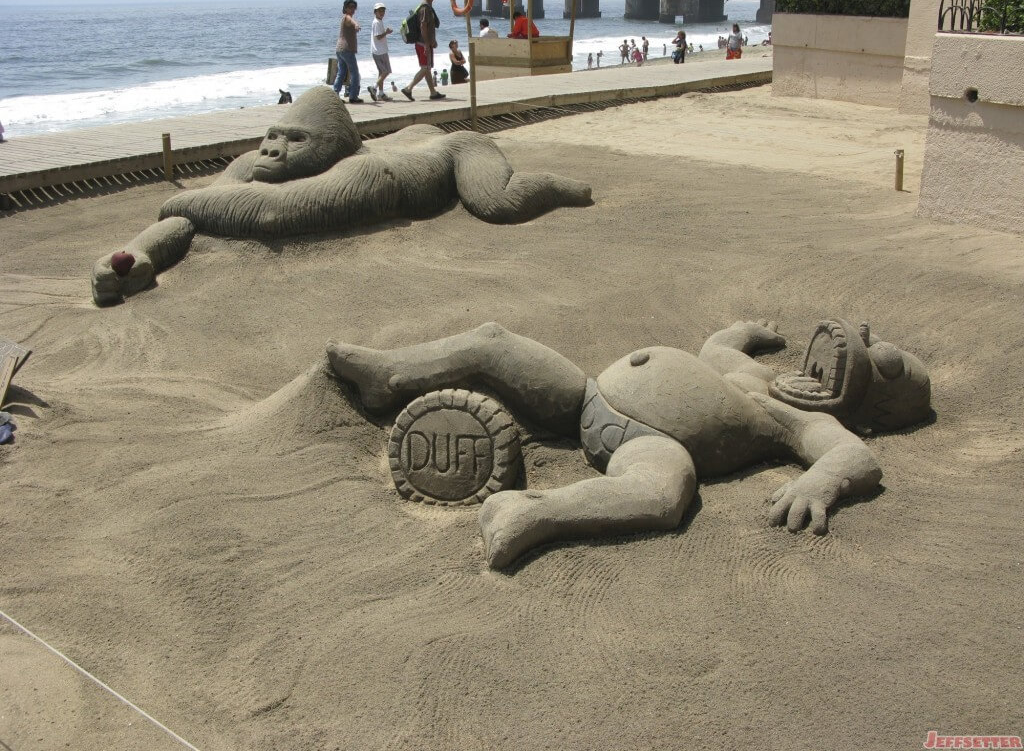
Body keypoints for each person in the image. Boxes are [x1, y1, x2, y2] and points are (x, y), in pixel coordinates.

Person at [325, 318, 930, 569]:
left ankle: (530, 513)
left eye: (882, 365)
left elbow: (856, 457)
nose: (865, 338)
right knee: (493, 342)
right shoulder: (754, 378)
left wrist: (818, 481)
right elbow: (721, 346)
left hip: (654, 441)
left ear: (868, 411)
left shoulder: (795, 421)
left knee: (664, 496)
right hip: (587, 393)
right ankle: (391, 374)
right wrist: (746, 331)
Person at [90, 86, 592, 306]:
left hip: (454, 150)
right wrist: (140, 251)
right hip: (410, 137)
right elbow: (204, 212)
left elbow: (270, 214)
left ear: (328, 148)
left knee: (496, 205)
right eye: (273, 133)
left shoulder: (363, 172)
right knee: (199, 212)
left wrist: (179, 201)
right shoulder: (255, 163)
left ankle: (563, 186)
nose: (272, 147)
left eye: (294, 141)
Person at [402, 0, 445, 101]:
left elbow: (429, 27)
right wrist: (427, 43)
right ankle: (408, 88)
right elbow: (423, 26)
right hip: (423, 43)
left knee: (427, 68)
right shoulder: (425, 8)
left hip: (423, 43)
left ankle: (433, 92)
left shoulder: (427, 6)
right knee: (425, 68)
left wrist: (432, 41)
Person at [333, 0, 363, 104]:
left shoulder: (344, 19)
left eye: (354, 7)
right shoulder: (347, 17)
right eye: (350, 7)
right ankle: (353, 96)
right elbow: (352, 21)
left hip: (339, 49)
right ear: (345, 8)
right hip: (346, 50)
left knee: (341, 72)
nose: (352, 9)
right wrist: (356, 25)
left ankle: (335, 95)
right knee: (354, 73)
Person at [368, 3, 393, 102]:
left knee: (381, 73)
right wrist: (386, 32)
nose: (382, 13)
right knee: (386, 71)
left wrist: (386, 32)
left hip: (380, 50)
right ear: (375, 12)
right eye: (380, 11)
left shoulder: (378, 21)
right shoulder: (376, 22)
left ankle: (381, 93)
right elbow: (378, 37)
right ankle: (374, 88)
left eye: (383, 11)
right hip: (379, 52)